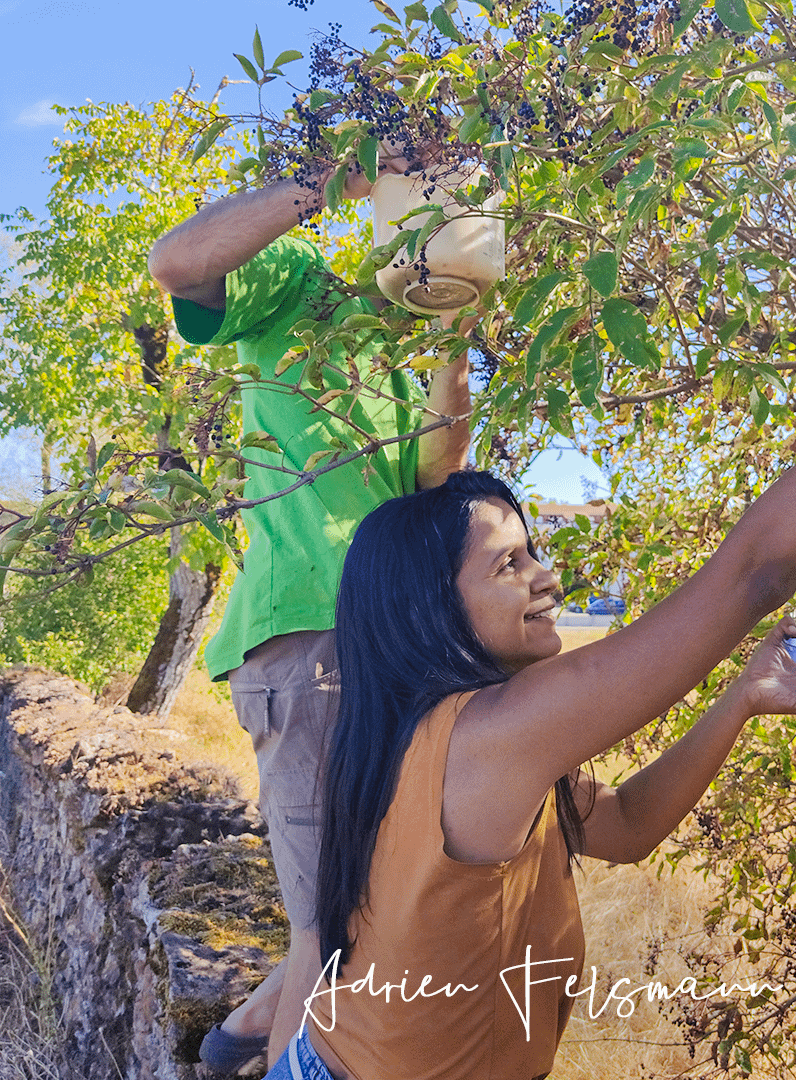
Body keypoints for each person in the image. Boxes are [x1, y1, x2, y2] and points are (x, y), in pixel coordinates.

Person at [262, 347, 796, 1079]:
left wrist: (743, 699)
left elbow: (626, 826)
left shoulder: (421, 734)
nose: (548, 578)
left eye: (533, 552)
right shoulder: (484, 738)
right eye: (509, 564)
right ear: (427, 607)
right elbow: (755, 575)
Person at [147, 154, 476, 1068]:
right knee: (329, 935)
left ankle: (239, 1034)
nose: (435, 217)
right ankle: (257, 1036)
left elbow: (437, 476)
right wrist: (328, 184)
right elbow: (177, 265)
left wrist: (454, 335)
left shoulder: (413, 341)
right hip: (308, 640)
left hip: (397, 646)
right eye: (423, 194)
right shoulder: (297, 289)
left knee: (374, 907)